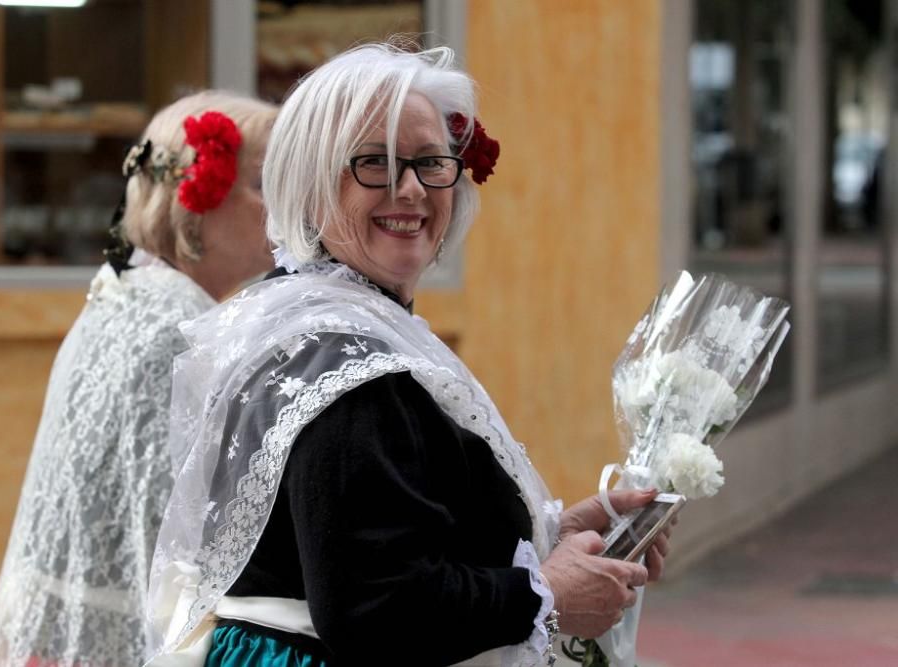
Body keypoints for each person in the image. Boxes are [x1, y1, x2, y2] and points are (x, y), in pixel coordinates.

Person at [147, 44, 669, 667]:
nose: (411, 188)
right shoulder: (342, 356)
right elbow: (374, 606)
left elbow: (391, 521)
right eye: (374, 163)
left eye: (429, 162)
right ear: (310, 189)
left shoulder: (311, 312)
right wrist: (547, 594)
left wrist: (550, 532)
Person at [0, 90, 279, 667]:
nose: (284, 205)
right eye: (263, 184)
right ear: (198, 198)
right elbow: (176, 543)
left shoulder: (129, 297)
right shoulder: (175, 331)